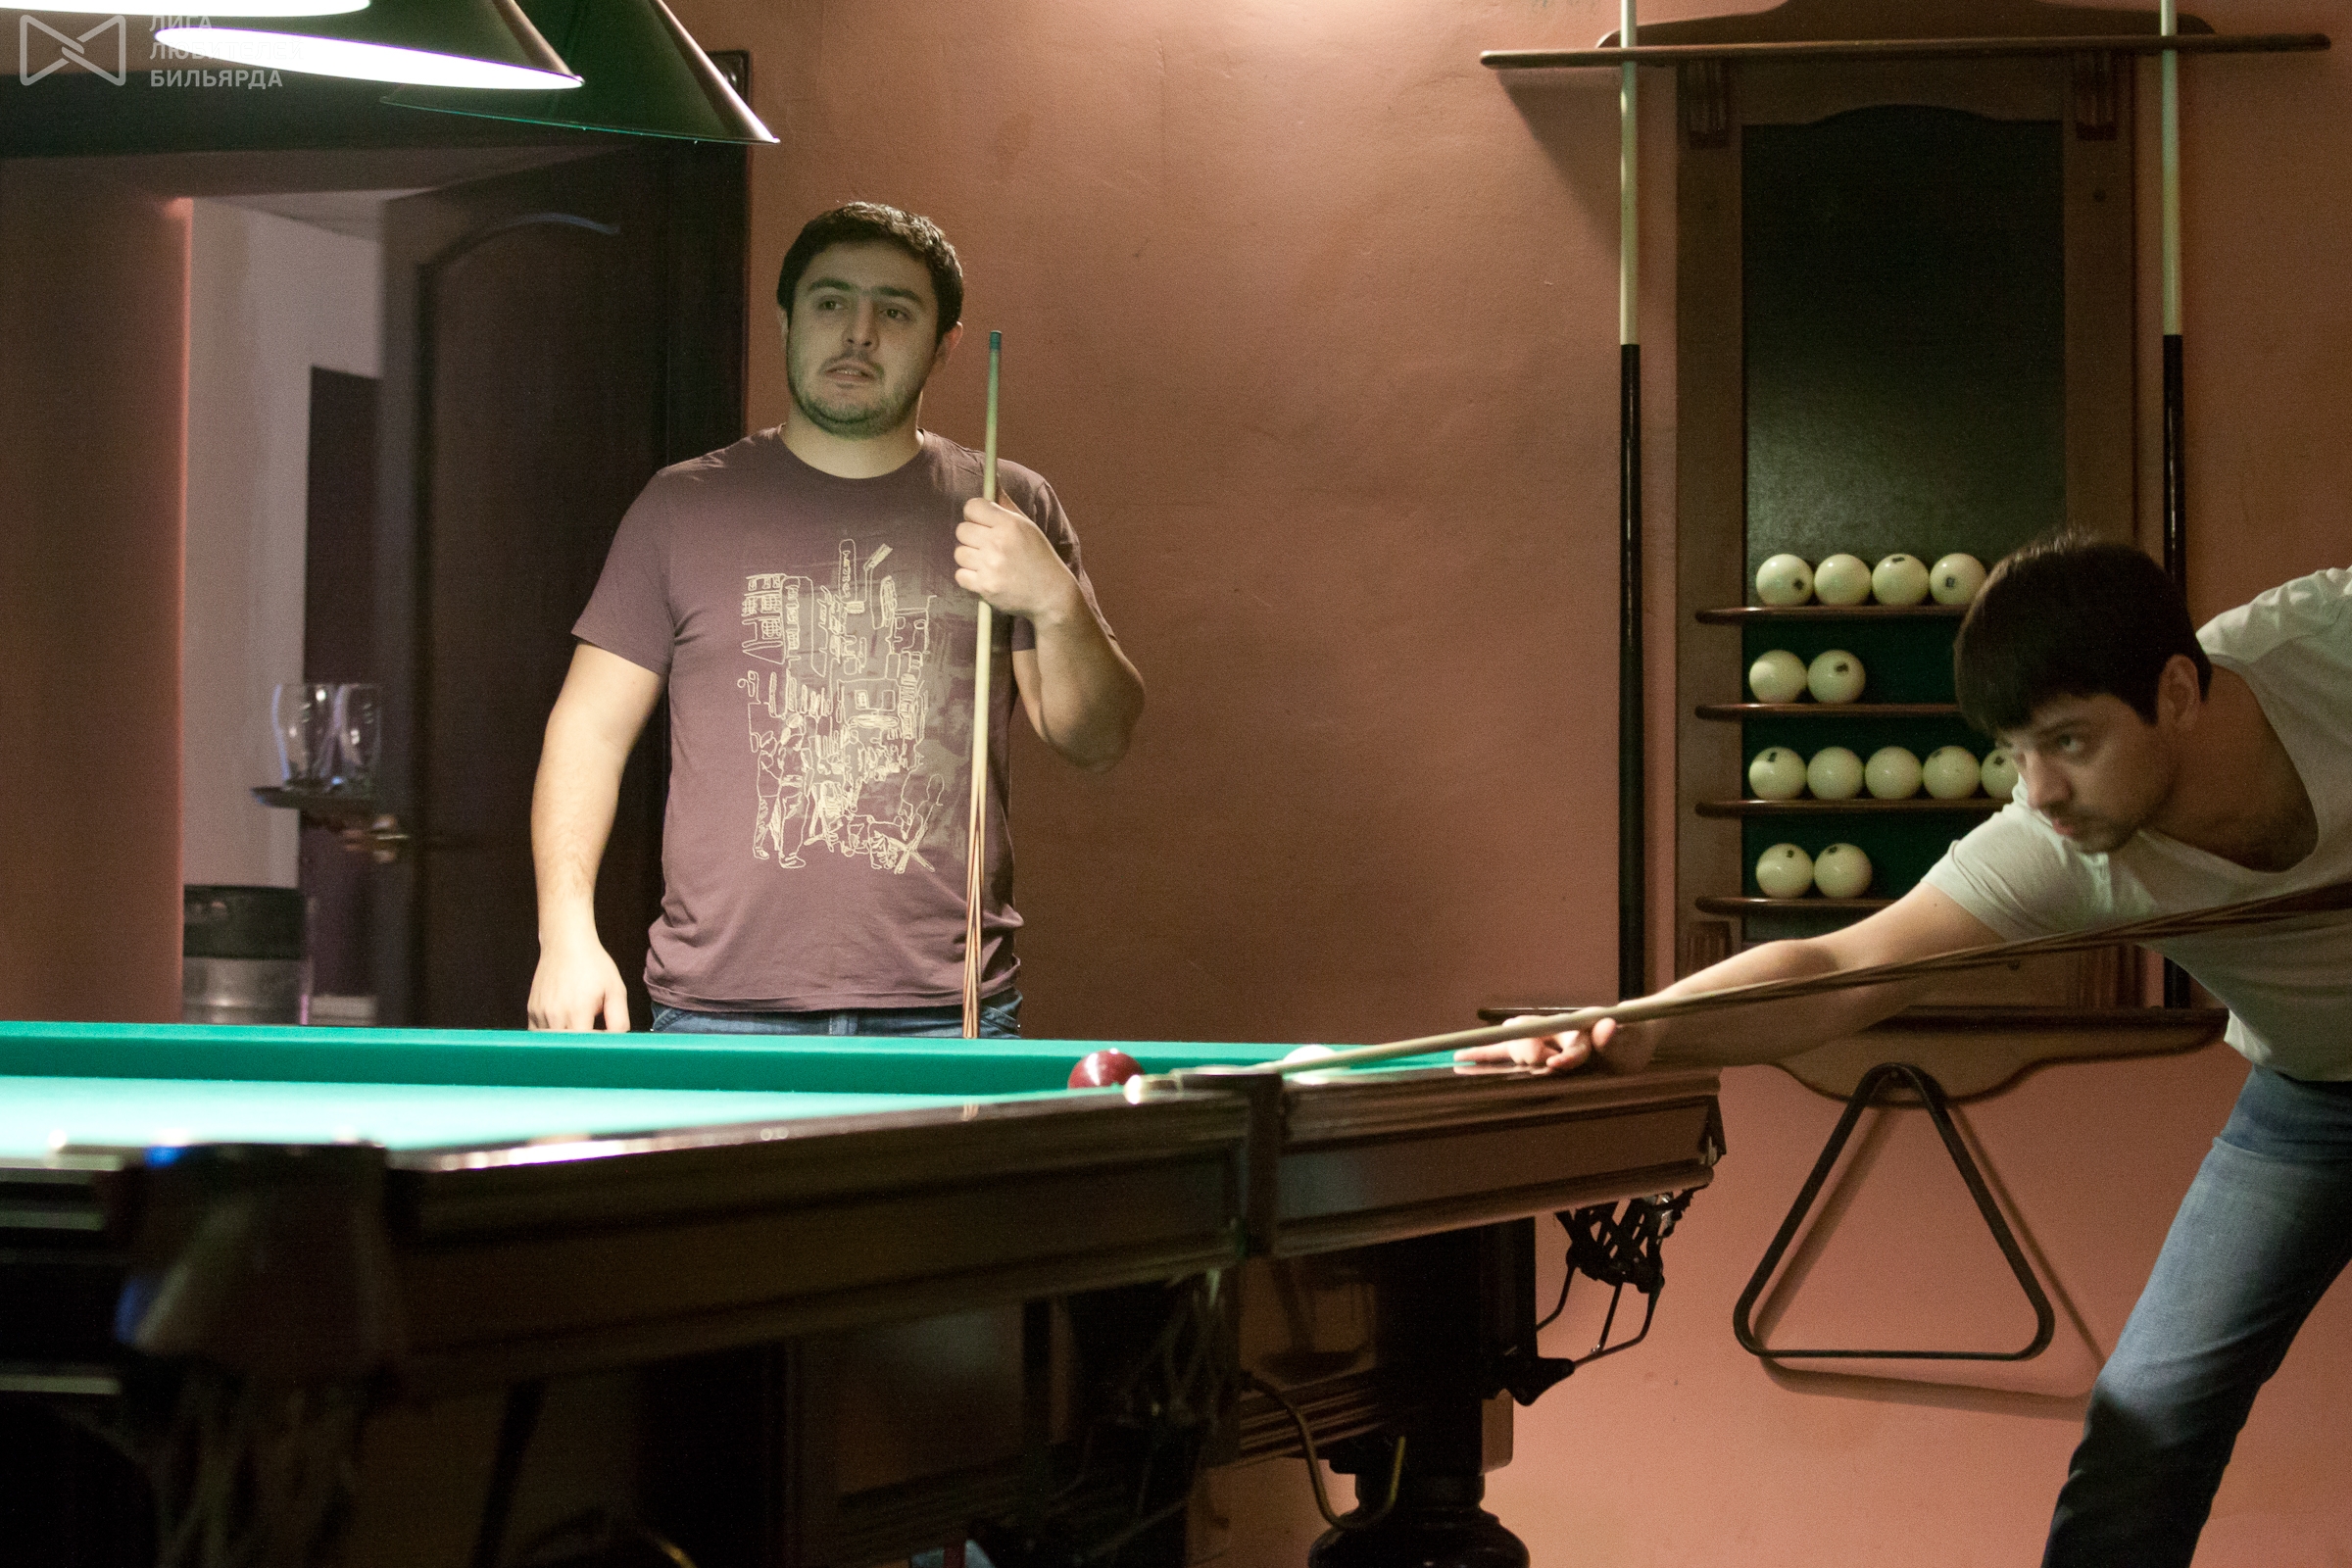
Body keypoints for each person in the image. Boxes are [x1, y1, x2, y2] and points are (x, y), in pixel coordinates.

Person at [1468, 540, 2352, 1568]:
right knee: (2144, 1430)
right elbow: (1846, 964)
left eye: (2069, 740)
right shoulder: (2061, 847)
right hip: (2313, 1100)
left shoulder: (2330, 644)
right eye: (2016, 751)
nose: (2043, 789)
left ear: (2178, 692)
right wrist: (1638, 1028)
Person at [528, 202, 1143, 1039]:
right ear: (787, 319)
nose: (859, 332)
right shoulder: (682, 507)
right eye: (830, 302)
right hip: (717, 1010)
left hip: (948, 1011)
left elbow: (1097, 740)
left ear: (945, 344)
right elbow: (589, 731)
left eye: (896, 310)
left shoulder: (1010, 504)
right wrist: (565, 936)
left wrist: (1055, 599)